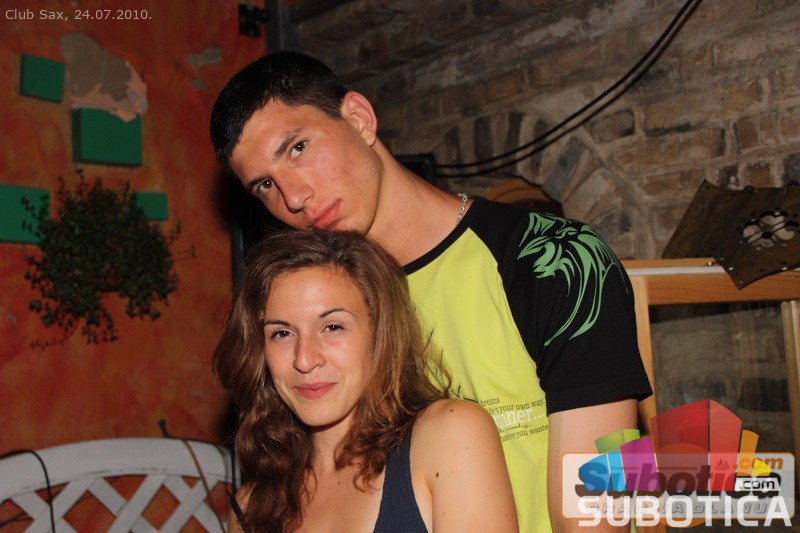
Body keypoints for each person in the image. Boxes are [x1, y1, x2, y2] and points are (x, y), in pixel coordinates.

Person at [210, 51, 653, 531]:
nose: (293, 197)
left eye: (298, 148)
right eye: (265, 186)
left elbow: (604, 513)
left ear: (359, 118)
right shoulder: (310, 316)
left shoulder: (557, 260)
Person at [213, 230, 518, 532]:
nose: (304, 359)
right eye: (281, 333)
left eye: (332, 327)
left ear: (379, 333)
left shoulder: (449, 437)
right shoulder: (252, 508)